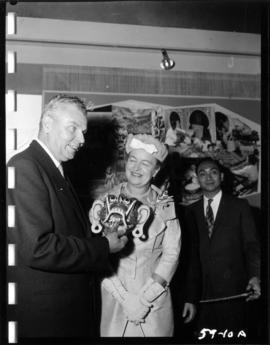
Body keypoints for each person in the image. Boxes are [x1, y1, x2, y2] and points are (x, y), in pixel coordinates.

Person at [6, 94, 128, 339]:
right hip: (48, 320)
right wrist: (104, 246)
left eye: (83, 132)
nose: (81, 140)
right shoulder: (25, 167)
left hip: (63, 314)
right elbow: (38, 248)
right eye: (73, 128)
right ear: (48, 124)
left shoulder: (53, 169)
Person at [89, 133, 181, 337]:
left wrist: (145, 299)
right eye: (133, 160)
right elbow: (96, 255)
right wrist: (125, 299)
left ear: (156, 170)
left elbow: (171, 254)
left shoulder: (165, 204)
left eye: (146, 163)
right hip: (115, 298)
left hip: (154, 303)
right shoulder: (104, 202)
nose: (136, 168)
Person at [184, 158, 261, 341]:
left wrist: (255, 276)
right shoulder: (189, 212)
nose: (208, 177)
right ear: (197, 179)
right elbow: (188, 258)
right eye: (202, 173)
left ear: (222, 176)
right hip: (202, 296)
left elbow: (252, 246)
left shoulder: (240, 207)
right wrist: (188, 296)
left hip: (234, 292)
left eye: (213, 172)